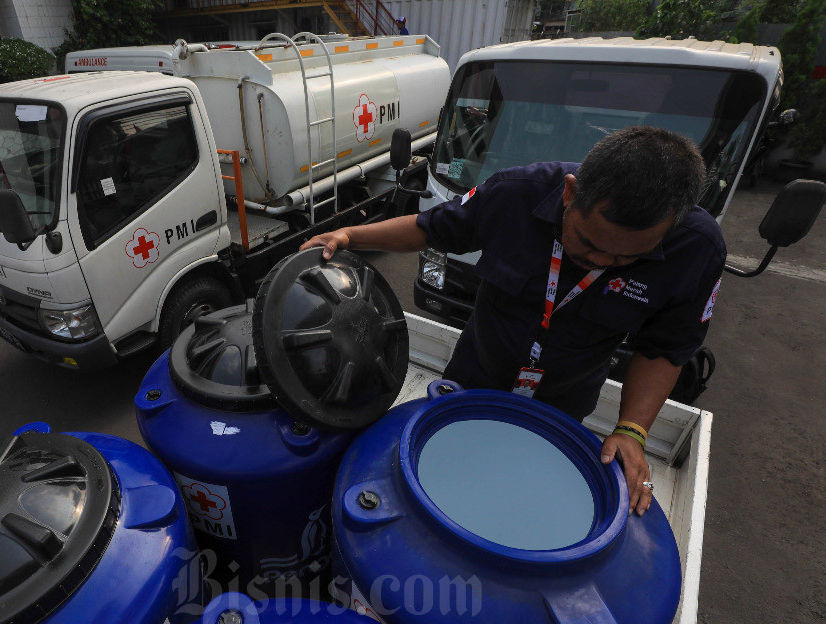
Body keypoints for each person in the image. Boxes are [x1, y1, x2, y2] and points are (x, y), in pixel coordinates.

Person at [300, 126, 725, 517]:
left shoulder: (698, 248)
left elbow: (667, 347)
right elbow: (431, 229)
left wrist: (632, 431)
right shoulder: (517, 193)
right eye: (589, 244)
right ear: (570, 194)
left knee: (519, 500)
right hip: (472, 380)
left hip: (563, 405)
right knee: (438, 488)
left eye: (626, 259)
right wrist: (352, 236)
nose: (601, 262)